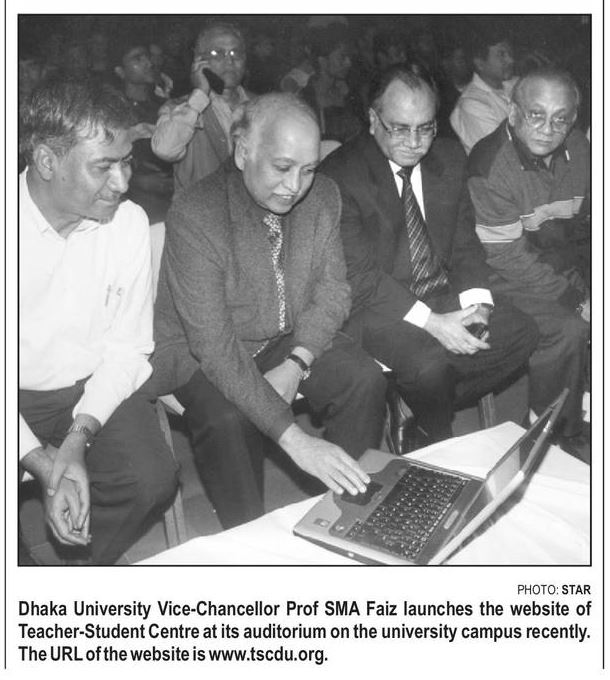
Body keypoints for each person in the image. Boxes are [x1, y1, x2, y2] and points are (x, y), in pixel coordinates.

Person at [151, 93, 386, 530]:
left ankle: (343, 517)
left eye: (309, 169)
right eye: (282, 167)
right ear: (243, 153)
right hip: (196, 350)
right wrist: (295, 440)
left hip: (283, 337)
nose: (295, 185)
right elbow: (213, 347)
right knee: (226, 417)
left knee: (363, 378)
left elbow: (334, 292)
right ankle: (248, 535)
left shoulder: (323, 196)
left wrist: (298, 362)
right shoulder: (197, 211)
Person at [320, 65, 538, 446]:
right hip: (378, 304)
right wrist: (434, 324)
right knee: (429, 366)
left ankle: (415, 403)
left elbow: (464, 241)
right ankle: (432, 431)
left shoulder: (449, 158)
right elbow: (362, 277)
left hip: (440, 291)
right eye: (399, 128)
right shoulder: (340, 175)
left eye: (425, 128)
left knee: (522, 331)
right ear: (373, 120)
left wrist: (477, 305)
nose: (414, 142)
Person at [19, 77, 178, 564]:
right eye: (103, 166)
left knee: (151, 480)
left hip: (88, 386)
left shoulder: (126, 222)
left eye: (126, 161)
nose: (123, 182)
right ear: (47, 161)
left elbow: (128, 348)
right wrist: (39, 461)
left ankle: (79, 580)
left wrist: (77, 438)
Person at [467, 67, 590, 452]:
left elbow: (587, 226)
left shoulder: (580, 149)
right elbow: (506, 257)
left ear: (573, 120)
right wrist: (576, 298)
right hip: (506, 277)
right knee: (568, 328)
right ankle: (550, 432)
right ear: (513, 112)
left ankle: (584, 407)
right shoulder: (490, 167)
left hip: (559, 264)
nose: (548, 129)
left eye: (561, 119)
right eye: (536, 115)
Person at [152, 21, 250, 192]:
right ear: (198, 60)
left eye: (236, 53)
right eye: (217, 53)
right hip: (199, 207)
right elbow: (165, 150)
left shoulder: (261, 106)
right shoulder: (180, 108)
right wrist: (200, 94)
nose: (229, 61)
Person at [112, 37, 174, 224]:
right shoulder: (115, 111)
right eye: (137, 59)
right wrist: (138, 181)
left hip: (169, 197)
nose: (148, 63)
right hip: (133, 201)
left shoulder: (163, 104)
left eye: (147, 57)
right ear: (120, 71)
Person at [450, 27, 516, 153]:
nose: (511, 60)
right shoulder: (472, 104)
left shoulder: (515, 84)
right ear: (480, 64)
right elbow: (504, 154)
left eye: (510, 53)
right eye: (501, 54)